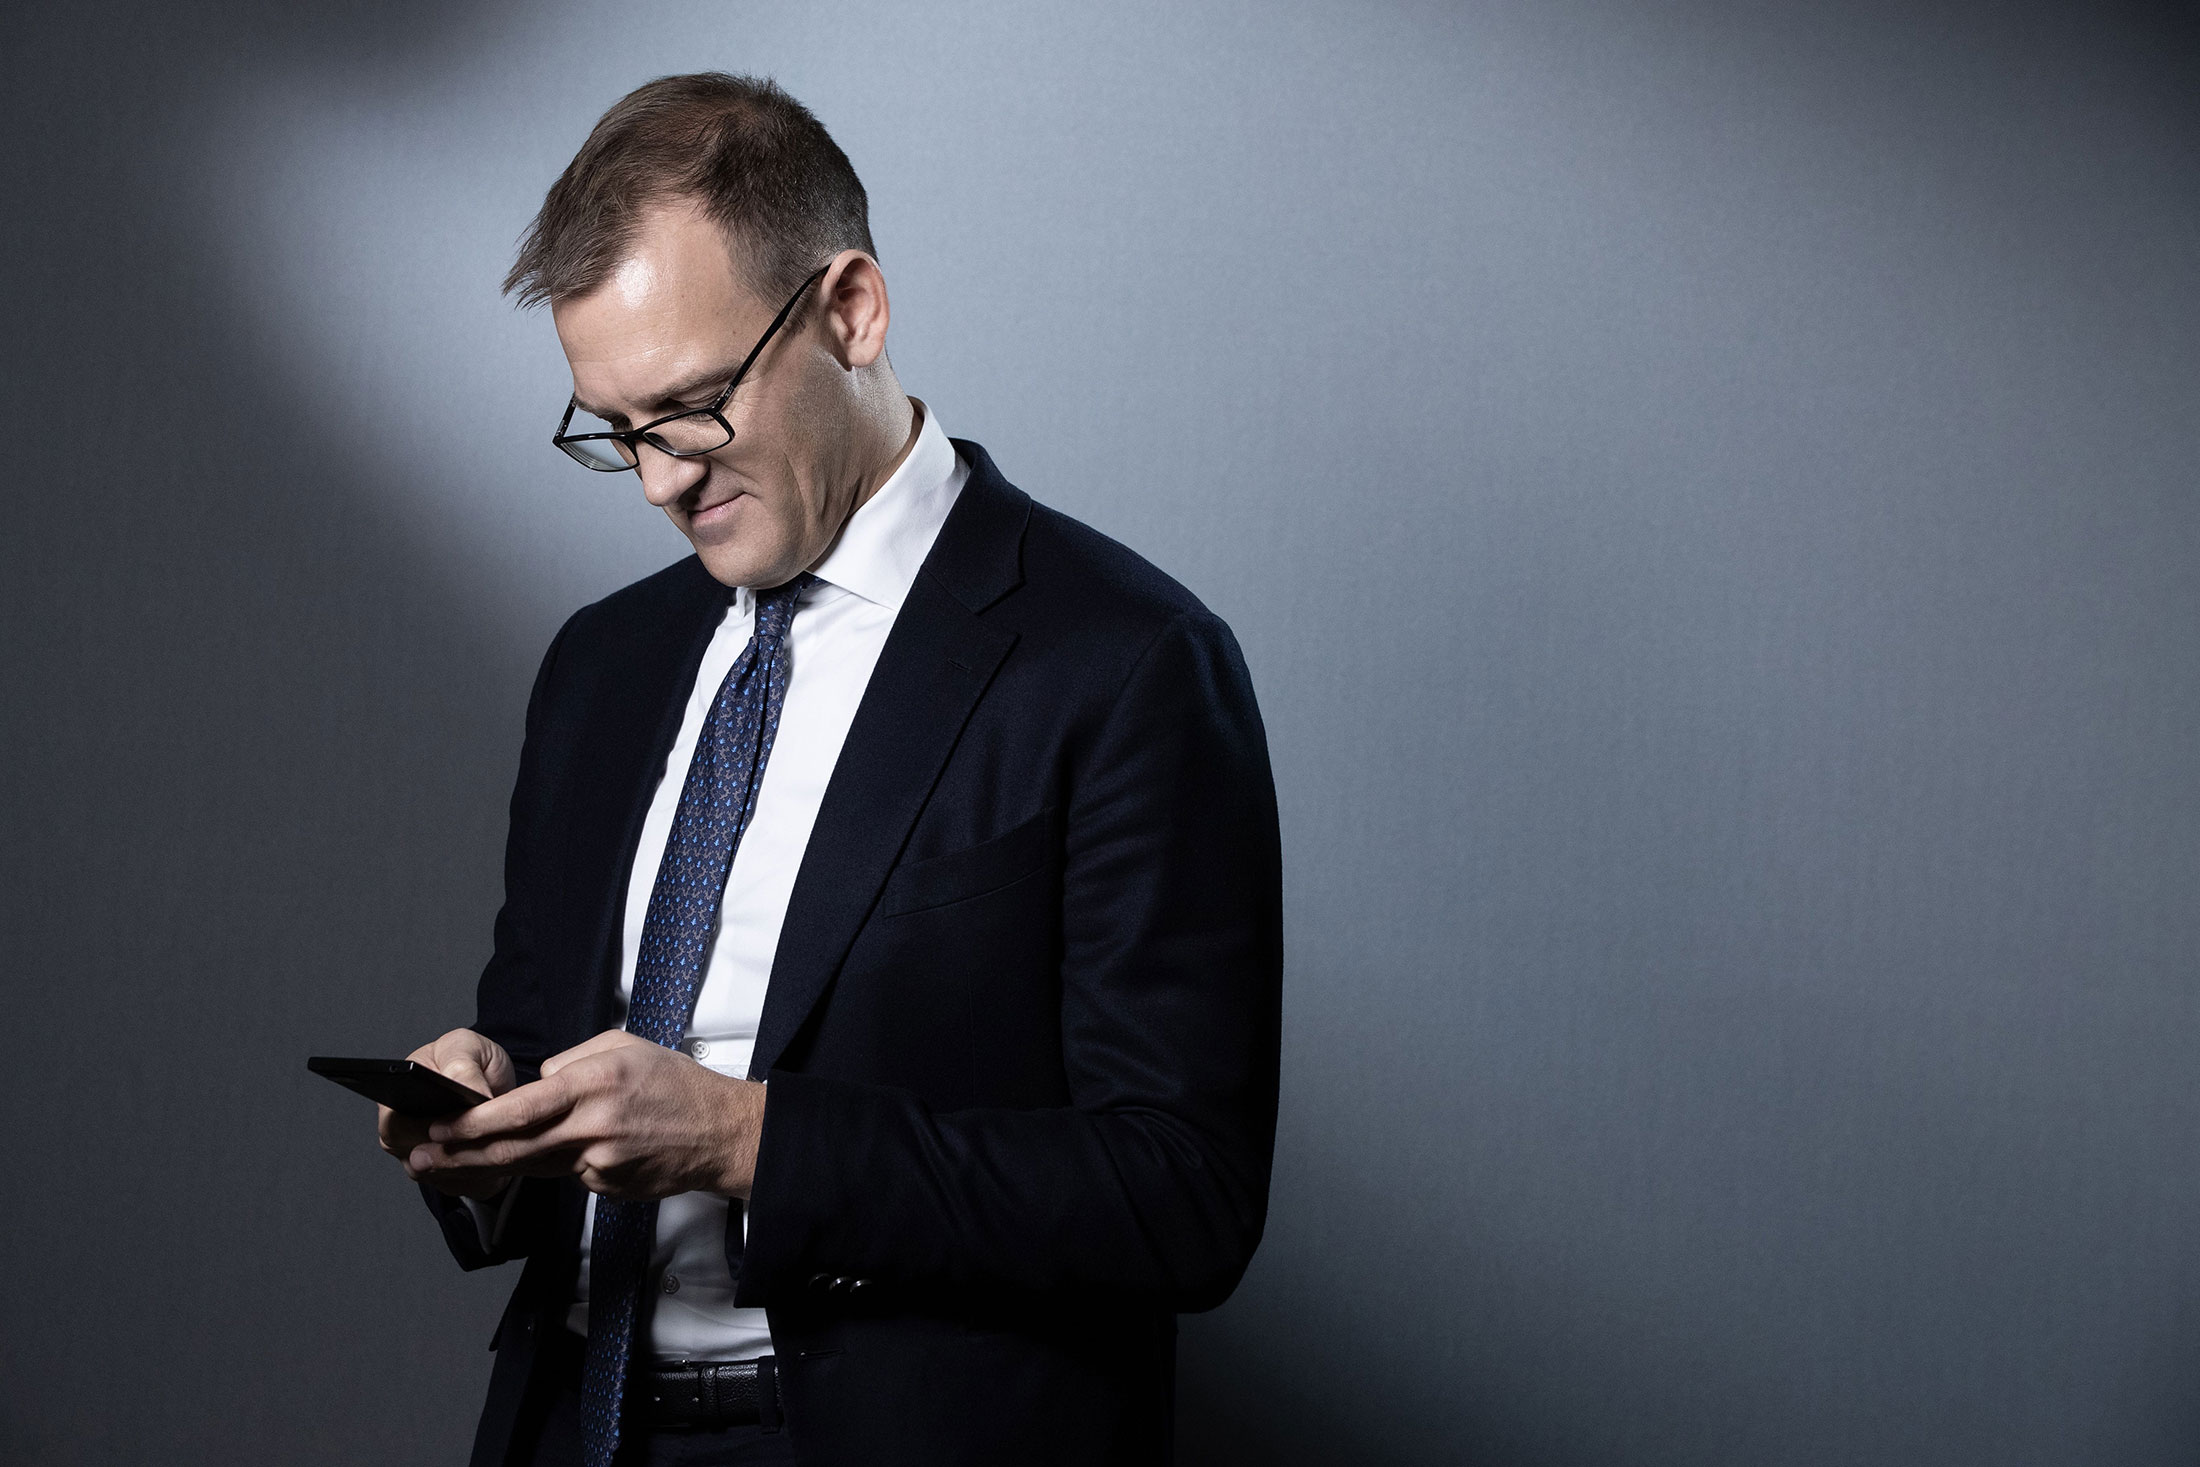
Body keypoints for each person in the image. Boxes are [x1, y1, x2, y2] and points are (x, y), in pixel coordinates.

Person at [375, 72, 1281, 1467]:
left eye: (691, 406)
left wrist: (745, 1140)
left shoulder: (1123, 664)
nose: (660, 480)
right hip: (575, 1425)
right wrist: (489, 1125)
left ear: (850, 310)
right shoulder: (601, 669)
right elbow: (550, 1046)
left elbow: (1181, 1195)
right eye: (614, 430)